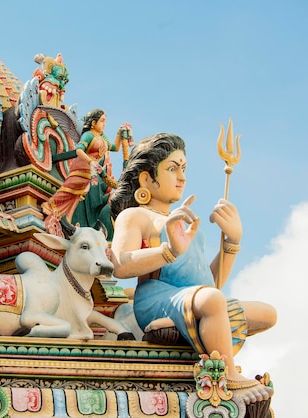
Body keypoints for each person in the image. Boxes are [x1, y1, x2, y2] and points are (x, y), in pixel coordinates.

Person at [109, 133, 277, 405]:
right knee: (212, 301)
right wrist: (169, 250)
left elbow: (211, 284)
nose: (182, 177)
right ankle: (229, 374)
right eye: (172, 168)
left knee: (267, 314)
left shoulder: (185, 222)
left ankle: (192, 325)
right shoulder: (136, 216)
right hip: (157, 297)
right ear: (146, 179)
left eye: (184, 168)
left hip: (197, 297)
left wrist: (232, 240)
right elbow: (120, 264)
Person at [43, 109, 128, 235]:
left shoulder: (102, 137)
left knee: (77, 195)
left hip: (91, 171)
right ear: (93, 122)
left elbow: (115, 148)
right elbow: (79, 150)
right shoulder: (88, 135)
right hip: (82, 166)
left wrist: (119, 135)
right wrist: (91, 161)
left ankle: (66, 218)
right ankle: (49, 206)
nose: (104, 124)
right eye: (102, 121)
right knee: (70, 188)